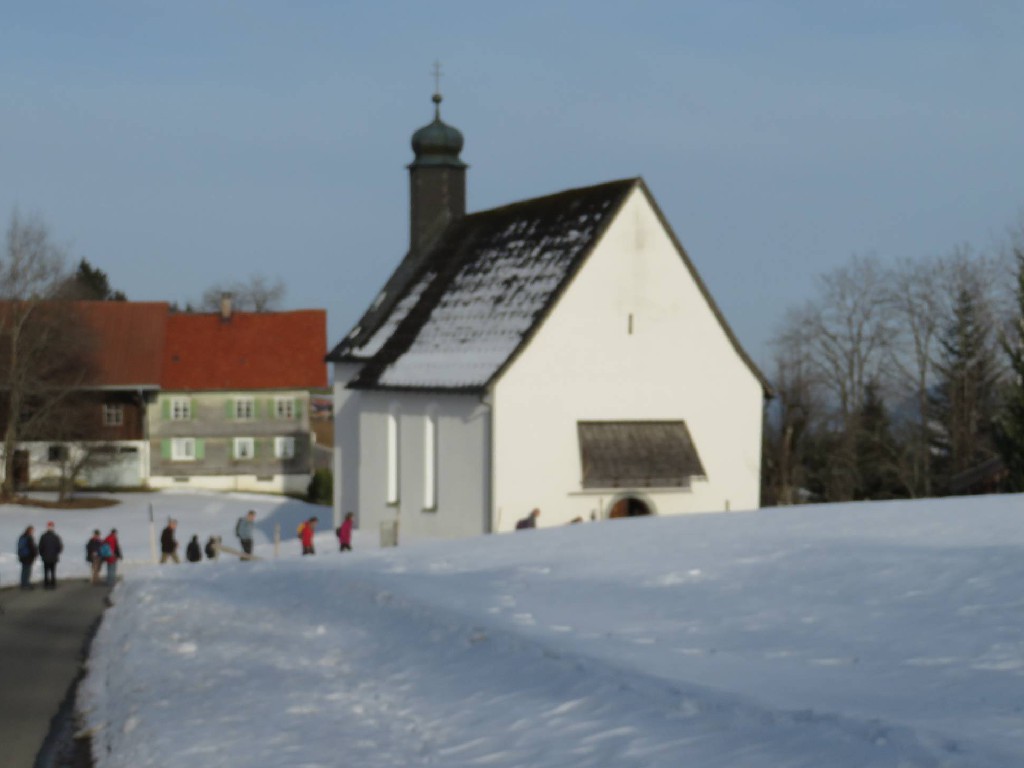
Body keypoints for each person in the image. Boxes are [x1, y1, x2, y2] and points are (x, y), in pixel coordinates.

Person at [37, 521, 64, 589]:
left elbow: (40, 547)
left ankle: (46, 584)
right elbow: (59, 547)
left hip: (46, 557)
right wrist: (56, 553)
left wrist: (42, 554)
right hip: (53, 557)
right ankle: (53, 584)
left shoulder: (43, 536)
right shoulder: (55, 537)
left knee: (46, 571)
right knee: (52, 571)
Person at [16, 525, 37, 589]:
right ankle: (26, 584)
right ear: (29, 530)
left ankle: (23, 583)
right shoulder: (29, 537)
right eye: (32, 530)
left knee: (24, 570)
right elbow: (32, 548)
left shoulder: (22, 537)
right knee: (27, 571)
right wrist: (35, 554)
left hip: (22, 557)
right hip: (28, 557)